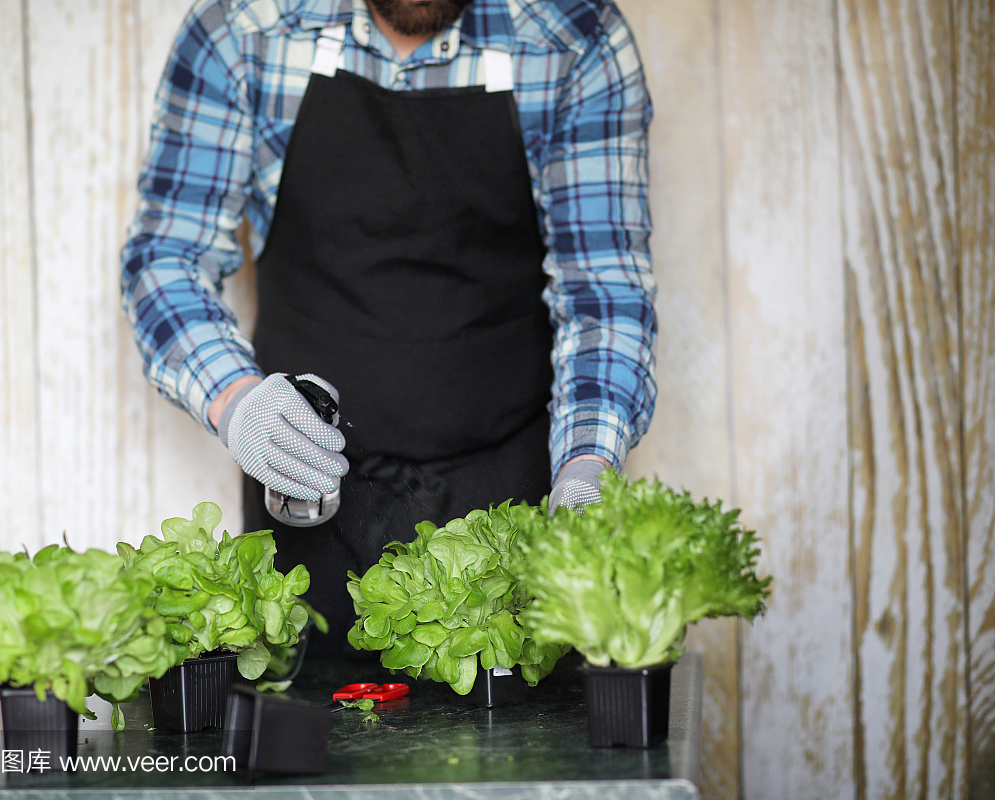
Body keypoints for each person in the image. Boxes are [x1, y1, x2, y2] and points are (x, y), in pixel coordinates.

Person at [121, 0, 657, 655]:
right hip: (307, 499)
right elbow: (166, 256)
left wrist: (587, 469)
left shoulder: (574, 37)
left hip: (512, 501)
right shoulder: (241, 28)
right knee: (318, 741)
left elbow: (603, 289)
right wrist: (237, 402)